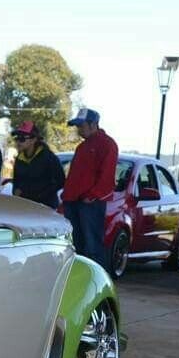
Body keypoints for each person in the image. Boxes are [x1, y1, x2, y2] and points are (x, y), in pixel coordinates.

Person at [61, 107, 119, 270]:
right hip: (73, 201)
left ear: (93, 124)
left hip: (90, 203)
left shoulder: (107, 144)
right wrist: (66, 197)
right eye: (78, 126)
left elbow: (107, 176)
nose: (79, 129)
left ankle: (97, 279)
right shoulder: (82, 147)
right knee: (76, 244)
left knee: (92, 245)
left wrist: (93, 195)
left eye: (82, 125)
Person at [11, 121, 65, 209]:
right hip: (25, 205)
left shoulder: (48, 157)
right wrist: (15, 190)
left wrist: (41, 195)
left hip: (46, 206)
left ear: (34, 139)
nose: (18, 142)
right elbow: (16, 181)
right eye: (16, 138)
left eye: (22, 139)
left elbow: (60, 181)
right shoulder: (19, 159)